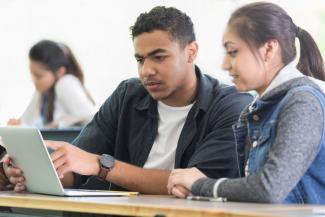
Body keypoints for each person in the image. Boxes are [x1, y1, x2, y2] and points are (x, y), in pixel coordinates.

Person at [2, 6, 252, 194]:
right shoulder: (128, 95)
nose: (146, 71)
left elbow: (196, 183)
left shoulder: (233, 106)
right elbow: (77, 170)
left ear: (191, 52)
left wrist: (102, 165)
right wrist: (31, 174)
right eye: (140, 60)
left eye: (159, 57)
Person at [167, 2, 325, 204]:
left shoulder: (302, 103)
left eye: (233, 52)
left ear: (269, 49)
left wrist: (200, 184)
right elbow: (253, 189)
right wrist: (194, 188)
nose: (224, 65)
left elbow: (268, 189)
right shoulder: (258, 108)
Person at [7, 40, 96, 128]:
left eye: (39, 76)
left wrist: (59, 124)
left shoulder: (65, 83)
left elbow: (91, 117)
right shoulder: (43, 91)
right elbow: (26, 121)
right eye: (32, 74)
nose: (34, 80)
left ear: (60, 72)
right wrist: (18, 125)